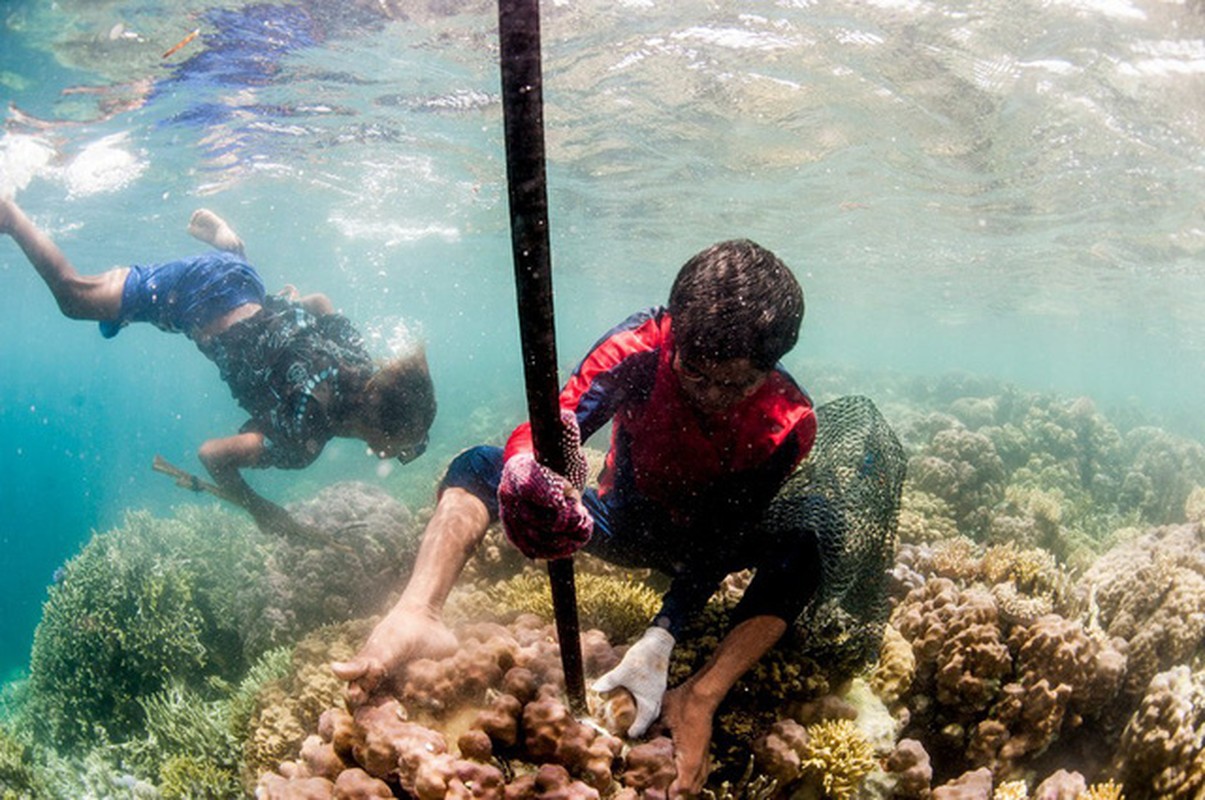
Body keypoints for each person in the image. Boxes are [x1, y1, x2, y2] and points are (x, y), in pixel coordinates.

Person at [332, 239, 820, 796]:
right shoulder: (641, 346)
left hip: (700, 542)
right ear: (676, 337)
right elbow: (554, 424)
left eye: (733, 383)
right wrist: (524, 472)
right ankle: (418, 612)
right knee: (478, 465)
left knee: (802, 549)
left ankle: (700, 697)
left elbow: (724, 534)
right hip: (612, 520)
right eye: (693, 373)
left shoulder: (787, 421)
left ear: (769, 367)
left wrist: (663, 636)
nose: (709, 395)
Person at [1, 197, 436, 539]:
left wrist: (285, 312)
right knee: (76, 299)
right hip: (191, 297)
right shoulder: (306, 435)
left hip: (243, 282)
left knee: (202, 294)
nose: (401, 454)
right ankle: (9, 214)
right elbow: (212, 455)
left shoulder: (358, 362)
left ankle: (231, 248)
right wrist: (261, 510)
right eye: (405, 446)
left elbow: (319, 303)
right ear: (382, 430)